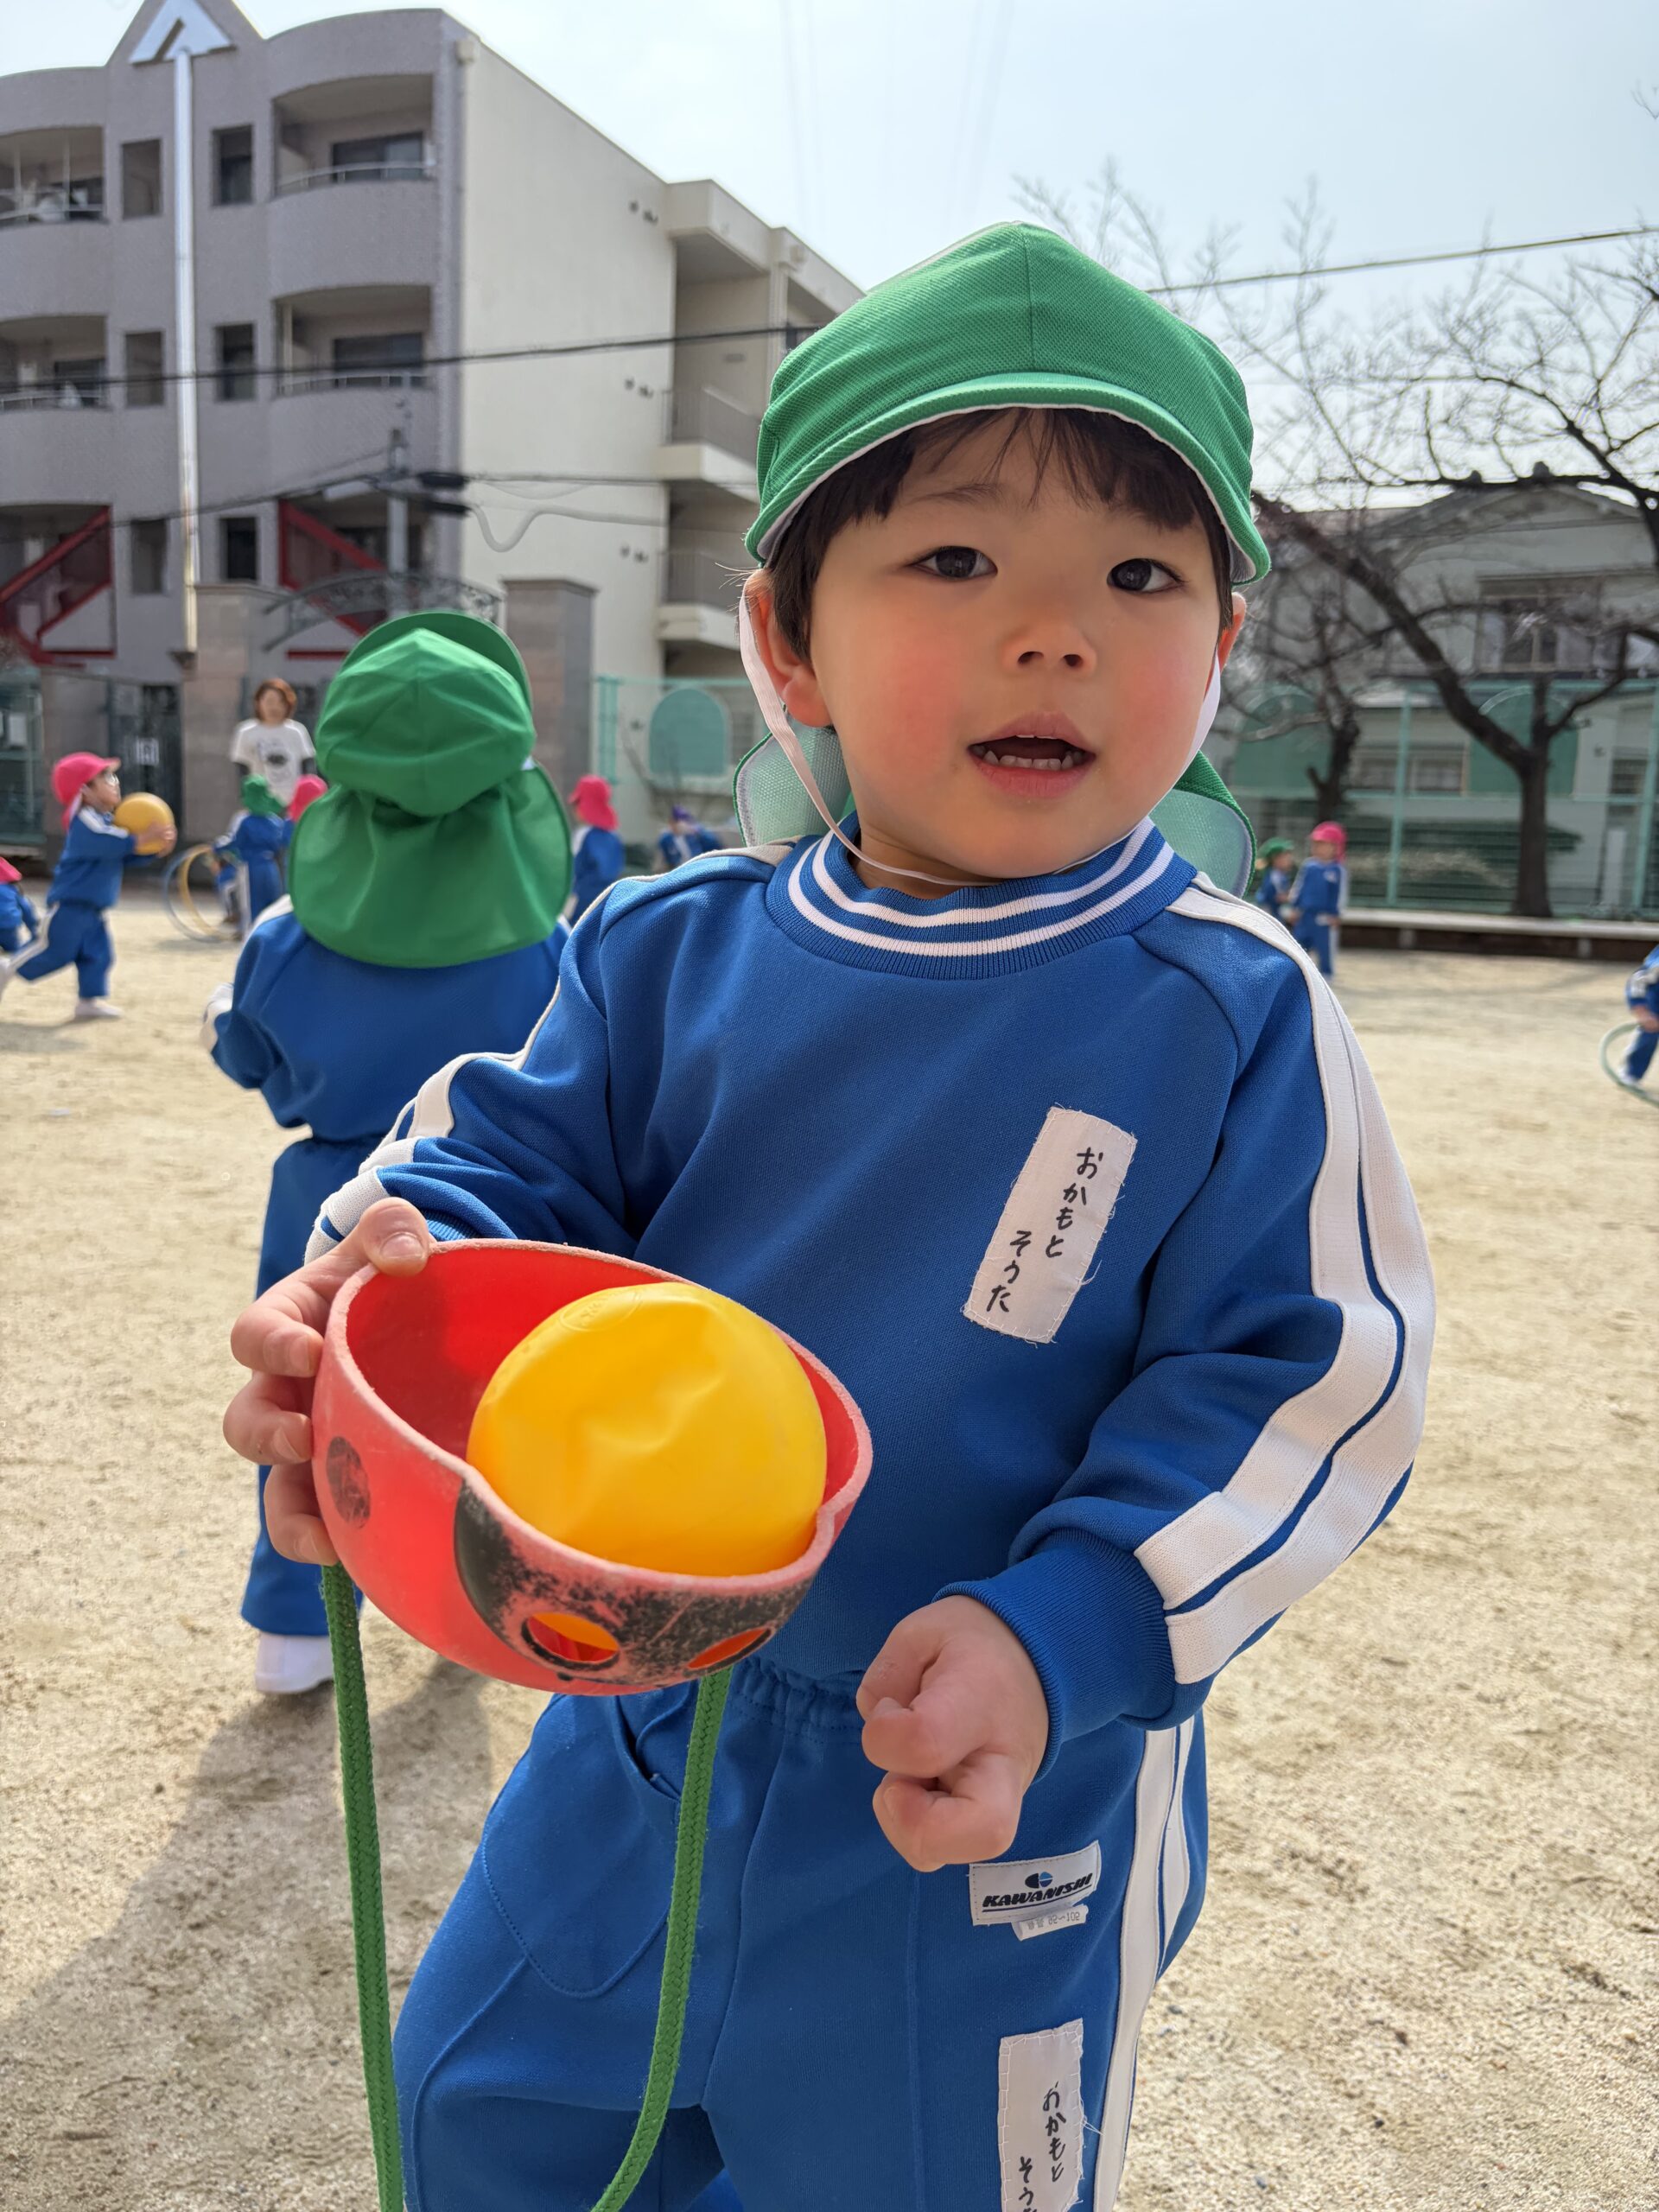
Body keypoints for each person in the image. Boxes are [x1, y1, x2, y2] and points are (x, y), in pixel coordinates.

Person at [219, 227, 1433, 2208]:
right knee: (478, 2109)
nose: (1054, 631)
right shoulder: (665, 950)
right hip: (640, 1714)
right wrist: (364, 1324)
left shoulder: (1228, 1012)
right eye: (953, 558)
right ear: (788, 642)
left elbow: (1311, 1382)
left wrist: (1067, 1626)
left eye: (1140, 576)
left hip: (986, 1789)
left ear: (1221, 640)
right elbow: (496, 1168)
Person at [203, 613, 570, 1696]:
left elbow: (249, 1056)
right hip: (502, 1206)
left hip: (326, 1193)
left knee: (310, 1401)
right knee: (491, 1408)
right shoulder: (552, 948)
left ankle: (299, 1621)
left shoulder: (284, 938)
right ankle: (473, 1608)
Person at [0, 753, 175, 1020]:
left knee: (98, 954)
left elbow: (123, 855)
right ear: (85, 791)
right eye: (106, 777)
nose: (115, 782)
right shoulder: (84, 820)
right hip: (70, 907)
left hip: (94, 909)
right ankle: (7, 967)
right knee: (53, 950)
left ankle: (88, 1001)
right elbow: (108, 843)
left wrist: (154, 849)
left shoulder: (108, 823)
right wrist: (140, 839)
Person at [213, 776, 291, 929]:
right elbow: (280, 843)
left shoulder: (245, 821)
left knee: (251, 906)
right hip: (271, 867)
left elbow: (235, 842)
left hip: (250, 867)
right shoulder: (276, 821)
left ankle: (247, 933)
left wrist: (217, 847)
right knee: (271, 905)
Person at [231, 677, 314, 810]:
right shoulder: (246, 731)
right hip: (261, 802)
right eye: (269, 701)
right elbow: (242, 770)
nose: (274, 707)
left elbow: (307, 768)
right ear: (258, 702)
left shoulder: (297, 731)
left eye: (280, 702)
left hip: (292, 802)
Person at [1282, 820, 1348, 978]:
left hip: (1325, 918)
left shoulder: (1338, 870)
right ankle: (1298, 974)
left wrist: (1338, 914)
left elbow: (1341, 893)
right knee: (1298, 946)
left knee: (1325, 948)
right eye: (1315, 843)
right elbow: (1299, 887)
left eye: (1323, 844)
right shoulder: (1309, 866)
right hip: (1305, 915)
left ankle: (1327, 975)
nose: (1317, 847)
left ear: (1335, 847)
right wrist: (1294, 908)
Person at [569, 773, 625, 918]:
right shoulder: (614, 836)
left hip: (582, 904)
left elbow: (572, 871)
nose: (574, 809)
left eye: (577, 803)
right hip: (608, 902)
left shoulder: (584, 834)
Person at [1620, 943, 1659, 1084]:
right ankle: (1631, 1072)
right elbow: (1638, 980)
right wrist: (1641, 1011)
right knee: (1650, 1031)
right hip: (1655, 997)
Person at [658, 803, 721, 870]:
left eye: (684, 821)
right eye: (677, 821)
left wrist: (698, 833)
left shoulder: (696, 833)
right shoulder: (666, 839)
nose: (681, 824)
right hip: (679, 870)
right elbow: (668, 860)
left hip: (699, 867)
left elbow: (715, 847)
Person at [0, 856, 39, 953]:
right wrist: (33, 930)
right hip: (8, 926)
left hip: (7, 925)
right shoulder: (12, 890)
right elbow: (27, 909)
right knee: (15, 951)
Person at [1252, 836, 1295, 920]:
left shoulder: (1282, 875)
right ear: (1275, 859)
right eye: (1285, 856)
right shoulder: (1273, 876)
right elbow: (1277, 897)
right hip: (1268, 915)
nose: (1290, 859)